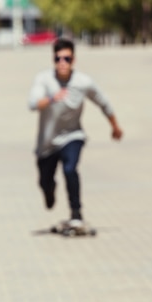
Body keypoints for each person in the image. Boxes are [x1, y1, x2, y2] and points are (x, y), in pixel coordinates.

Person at [28, 38, 123, 226]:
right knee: (45, 181)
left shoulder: (83, 82)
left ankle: (76, 213)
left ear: (74, 60)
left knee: (70, 169)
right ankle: (49, 190)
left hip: (72, 136)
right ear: (53, 60)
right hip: (47, 142)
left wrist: (115, 127)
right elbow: (33, 103)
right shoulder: (44, 79)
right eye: (58, 59)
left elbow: (103, 102)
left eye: (67, 59)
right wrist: (51, 98)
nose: (63, 63)